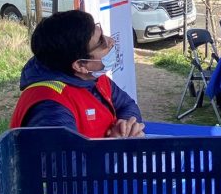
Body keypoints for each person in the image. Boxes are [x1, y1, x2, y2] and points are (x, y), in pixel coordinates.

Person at [10, 10, 144, 138]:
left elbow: (127, 105)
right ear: (80, 65)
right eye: (101, 42)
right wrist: (113, 146)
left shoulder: (93, 77)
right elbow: (65, 161)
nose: (111, 41)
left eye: (102, 34)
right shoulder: (51, 108)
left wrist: (126, 128)